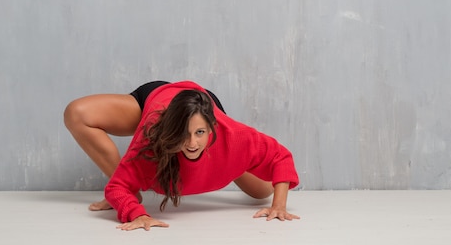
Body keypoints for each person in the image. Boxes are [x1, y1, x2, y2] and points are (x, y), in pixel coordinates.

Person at [63, 80, 299, 231]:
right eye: (183, 135)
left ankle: (216, 149)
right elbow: (115, 188)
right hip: (157, 98)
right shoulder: (150, 143)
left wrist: (279, 205)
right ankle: (133, 187)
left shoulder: (233, 135)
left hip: (203, 103)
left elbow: (281, 157)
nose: (192, 143)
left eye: (199, 133)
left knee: (262, 191)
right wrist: (133, 210)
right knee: (76, 113)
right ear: (171, 132)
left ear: (212, 128)